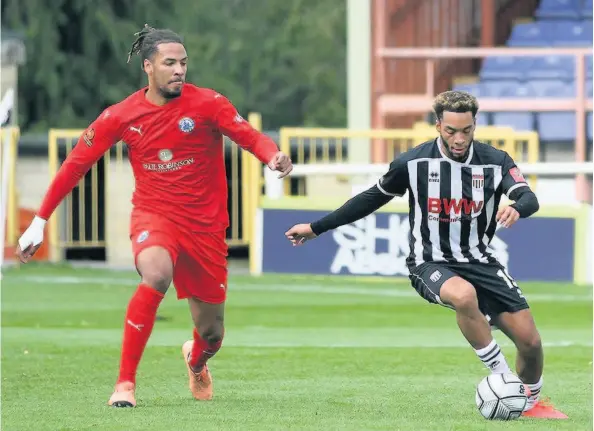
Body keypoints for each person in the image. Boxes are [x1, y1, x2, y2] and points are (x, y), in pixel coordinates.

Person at [16, 24, 293, 408]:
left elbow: (248, 135)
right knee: (156, 274)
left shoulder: (209, 103)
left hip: (206, 229)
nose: (180, 70)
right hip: (154, 217)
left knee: (212, 333)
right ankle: (125, 385)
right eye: (170, 63)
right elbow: (75, 165)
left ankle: (196, 362)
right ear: (148, 66)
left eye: (183, 63)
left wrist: (272, 155)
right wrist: (40, 220)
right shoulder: (121, 115)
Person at [284, 91, 567, 419]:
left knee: (531, 344)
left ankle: (530, 403)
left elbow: (529, 198)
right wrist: (316, 227)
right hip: (429, 261)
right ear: (437, 126)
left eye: (466, 130)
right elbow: (369, 199)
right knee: (463, 295)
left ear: (475, 126)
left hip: (480, 261)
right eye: (451, 131)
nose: (459, 139)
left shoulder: (496, 161)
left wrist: (517, 207)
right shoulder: (412, 163)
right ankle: (501, 375)